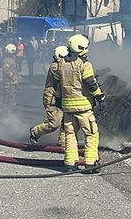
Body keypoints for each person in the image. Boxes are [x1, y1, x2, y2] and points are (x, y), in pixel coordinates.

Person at [51, 34, 105, 172]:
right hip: (83, 108)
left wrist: (58, 101)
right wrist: (100, 98)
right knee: (91, 134)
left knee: (70, 135)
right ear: (82, 48)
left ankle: (70, 163)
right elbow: (91, 84)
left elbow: (57, 85)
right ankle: (90, 164)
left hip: (67, 107)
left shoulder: (60, 64)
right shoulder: (84, 64)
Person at [29, 46, 69, 145]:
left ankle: (63, 142)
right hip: (54, 99)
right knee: (54, 124)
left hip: (66, 98)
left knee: (67, 123)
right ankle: (35, 131)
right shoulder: (55, 67)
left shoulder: (67, 66)